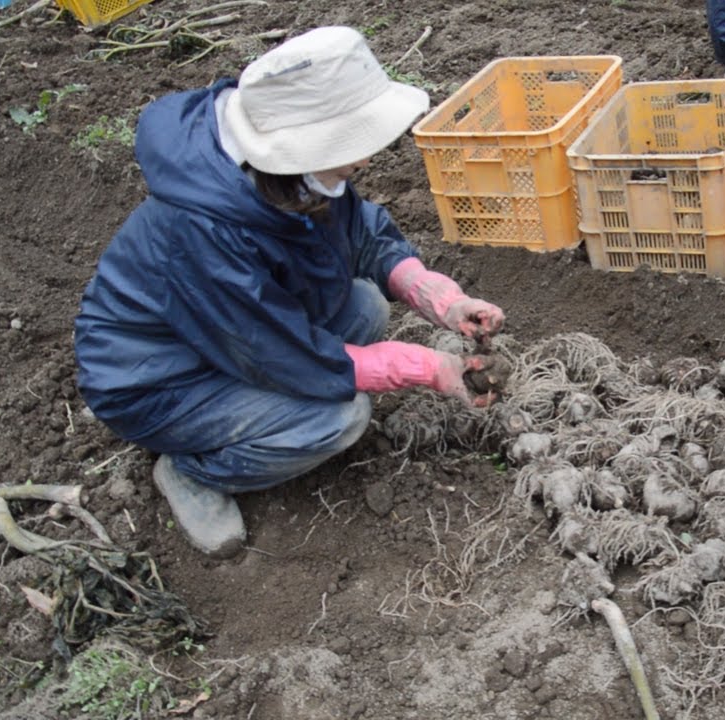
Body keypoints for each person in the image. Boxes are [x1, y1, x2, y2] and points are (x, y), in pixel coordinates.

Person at [73, 27, 506, 559]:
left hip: (230, 338)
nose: (365, 161)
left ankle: (270, 412)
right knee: (337, 417)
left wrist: (439, 297)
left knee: (365, 305)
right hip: (157, 380)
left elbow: (359, 231)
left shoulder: (290, 175)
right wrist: (427, 369)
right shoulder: (202, 231)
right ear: (302, 144)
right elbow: (275, 351)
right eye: (352, 146)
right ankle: (193, 471)